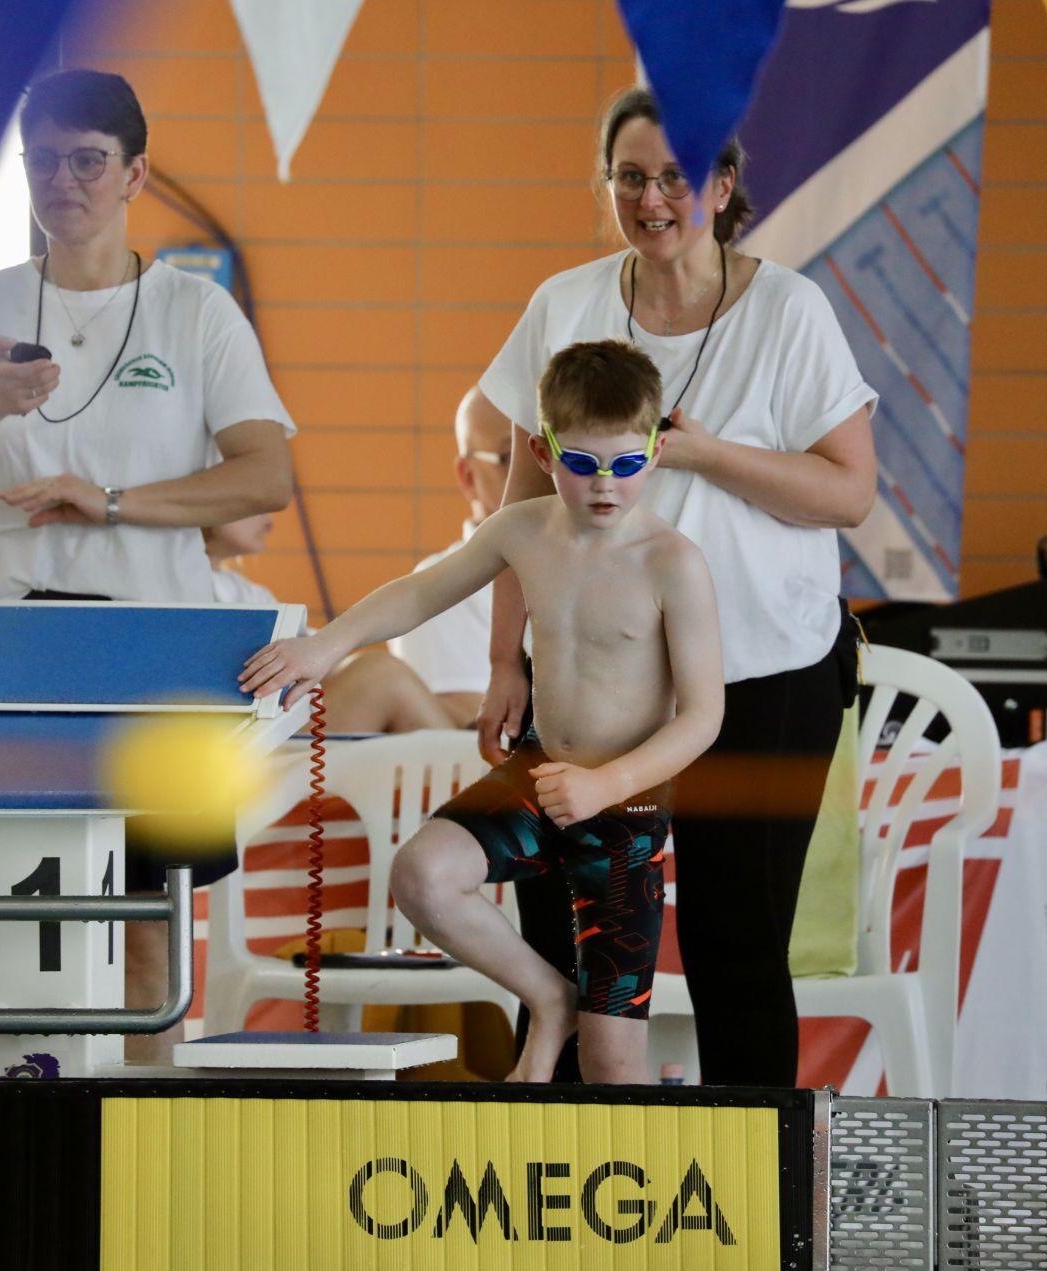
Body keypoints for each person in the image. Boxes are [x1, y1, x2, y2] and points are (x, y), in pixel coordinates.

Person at [0, 68, 295, 1061]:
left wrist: (108, 501)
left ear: (135, 173)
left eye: (88, 161)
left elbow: (265, 475)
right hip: (8, 638)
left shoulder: (195, 313)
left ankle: (146, 1128)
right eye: (43, 161)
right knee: (25, 912)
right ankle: (27, 1124)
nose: (63, 181)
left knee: (149, 921)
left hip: (148, 635)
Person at [471, 88, 879, 1088]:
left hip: (762, 673)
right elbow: (524, 500)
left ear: (723, 186)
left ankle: (758, 1172)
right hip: (593, 681)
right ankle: (558, 1164)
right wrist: (504, 657)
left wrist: (702, 454)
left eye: (676, 178)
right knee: (566, 943)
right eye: (630, 178)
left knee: (736, 943)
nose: (652, 200)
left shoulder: (788, 311)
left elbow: (849, 492)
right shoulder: (564, 303)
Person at [239, 341, 723, 1084]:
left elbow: (703, 716)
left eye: (626, 464)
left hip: (623, 807)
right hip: (539, 774)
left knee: (612, 1066)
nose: (604, 485)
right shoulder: (523, 530)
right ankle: (546, 996)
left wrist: (606, 783)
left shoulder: (673, 563)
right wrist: (324, 647)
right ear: (542, 451)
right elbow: (419, 593)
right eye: (582, 463)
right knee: (423, 875)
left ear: (657, 451)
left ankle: (593, 1084)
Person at [206, 514, 451, 734]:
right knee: (382, 677)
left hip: (272, 724)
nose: (269, 512)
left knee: (381, 676)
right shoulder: (202, 593)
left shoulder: (249, 593)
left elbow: (318, 657)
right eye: (252, 501)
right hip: (242, 740)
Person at [385, 387, 509, 728]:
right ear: (469, 477)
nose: (543, 473)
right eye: (511, 457)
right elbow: (476, 737)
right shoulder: (442, 592)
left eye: (558, 453)